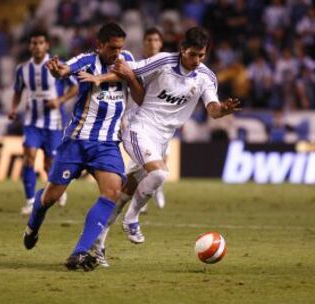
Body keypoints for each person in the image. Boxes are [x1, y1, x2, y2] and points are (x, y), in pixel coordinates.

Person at [81, 26, 241, 265]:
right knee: (159, 173)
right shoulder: (163, 61)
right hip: (139, 127)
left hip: (163, 139)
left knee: (125, 193)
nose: (197, 60)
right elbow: (125, 68)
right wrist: (100, 77)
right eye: (193, 54)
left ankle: (98, 243)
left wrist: (223, 110)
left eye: (202, 55)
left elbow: (213, 110)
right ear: (182, 49)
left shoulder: (206, 77)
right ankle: (131, 220)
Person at [22, 23, 145, 272]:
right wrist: (59, 70)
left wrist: (128, 76)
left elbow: (140, 96)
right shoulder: (87, 60)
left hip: (107, 144)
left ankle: (79, 252)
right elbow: (67, 69)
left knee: (111, 192)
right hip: (77, 141)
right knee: (51, 197)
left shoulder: (128, 60)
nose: (117, 53)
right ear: (99, 45)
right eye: (112, 48)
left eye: (120, 47)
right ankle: (34, 221)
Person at [8, 31, 78, 215]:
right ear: (30, 46)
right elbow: (17, 91)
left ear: (47, 45)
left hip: (54, 123)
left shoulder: (57, 66)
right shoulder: (22, 69)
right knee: (28, 157)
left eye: (40, 43)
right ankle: (30, 201)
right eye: (34, 43)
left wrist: (60, 101)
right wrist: (13, 108)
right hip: (32, 122)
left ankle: (58, 190)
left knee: (49, 164)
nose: (37, 46)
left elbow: (75, 87)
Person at [124, 27, 166, 215]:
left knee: (158, 160)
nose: (152, 43)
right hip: (137, 122)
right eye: (148, 40)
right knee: (140, 166)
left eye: (156, 40)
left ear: (161, 43)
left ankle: (154, 188)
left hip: (159, 124)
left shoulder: (168, 69)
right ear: (144, 43)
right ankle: (147, 194)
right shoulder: (137, 66)